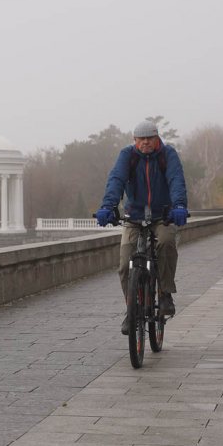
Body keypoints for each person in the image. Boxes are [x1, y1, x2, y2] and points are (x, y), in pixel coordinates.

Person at [95, 120, 189, 335]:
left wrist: (180, 206)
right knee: (125, 262)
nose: (146, 142)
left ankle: (165, 293)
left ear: (157, 139)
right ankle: (132, 309)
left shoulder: (168, 155)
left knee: (165, 243)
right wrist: (107, 206)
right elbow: (116, 179)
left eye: (150, 138)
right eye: (141, 139)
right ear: (135, 140)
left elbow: (176, 180)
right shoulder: (128, 155)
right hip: (134, 215)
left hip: (163, 215)